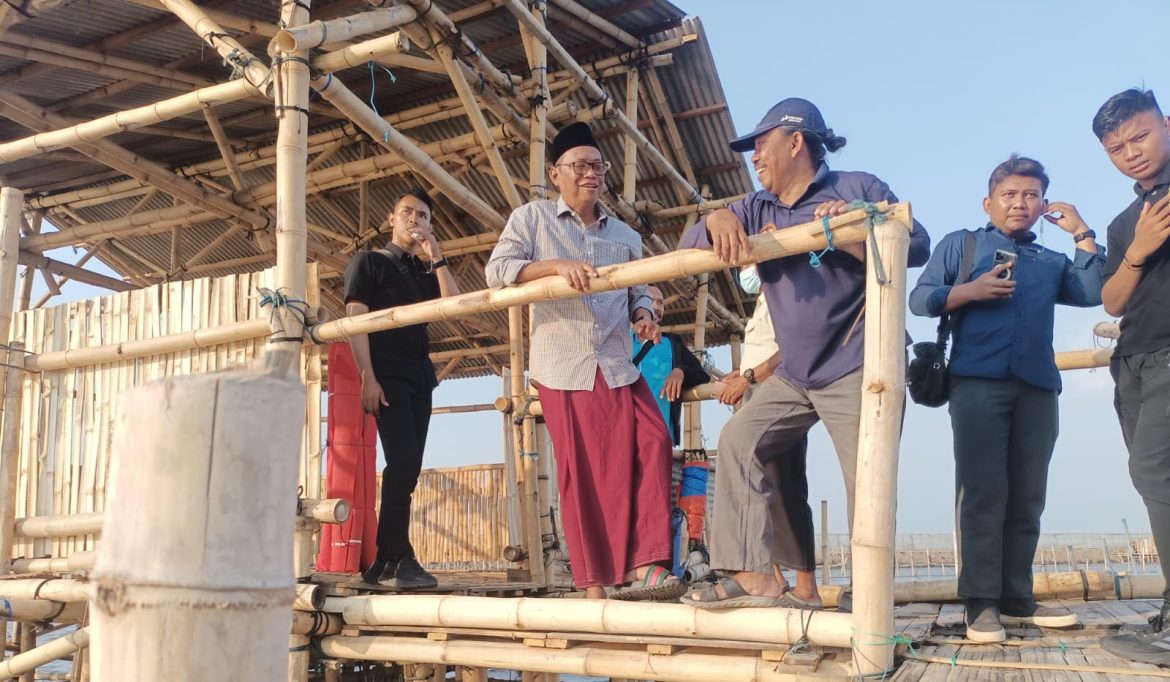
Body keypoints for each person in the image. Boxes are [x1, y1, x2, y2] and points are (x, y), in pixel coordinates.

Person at [678, 97, 931, 609]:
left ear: (795, 142)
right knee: (736, 441)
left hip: (861, 365)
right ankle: (757, 577)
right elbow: (689, 242)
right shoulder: (756, 206)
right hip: (796, 372)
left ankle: (870, 596)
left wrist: (857, 231)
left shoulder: (856, 186)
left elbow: (917, 245)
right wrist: (718, 218)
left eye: (761, 144)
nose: (754, 157)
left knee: (868, 478)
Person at [485, 122, 683, 601]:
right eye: (580, 166)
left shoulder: (625, 235)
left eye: (597, 166)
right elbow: (499, 270)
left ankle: (646, 564)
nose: (591, 173)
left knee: (654, 441)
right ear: (556, 174)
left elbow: (638, 289)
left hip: (617, 362)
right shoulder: (531, 219)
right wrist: (555, 266)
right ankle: (593, 582)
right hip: (563, 364)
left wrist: (642, 316)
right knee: (582, 472)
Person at [909, 155, 1101, 642]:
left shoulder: (1051, 261)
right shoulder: (962, 244)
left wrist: (1081, 234)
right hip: (976, 383)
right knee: (982, 493)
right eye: (1011, 194)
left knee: (1028, 495)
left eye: (1031, 195)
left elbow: (1092, 291)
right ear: (989, 201)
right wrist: (969, 290)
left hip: (1039, 387)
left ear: (1042, 205)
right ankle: (981, 601)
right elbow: (920, 297)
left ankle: (1017, 595)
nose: (1020, 203)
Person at [344, 188, 461, 588]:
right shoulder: (369, 262)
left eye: (424, 216)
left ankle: (385, 559)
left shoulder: (422, 273)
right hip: (387, 376)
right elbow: (354, 319)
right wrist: (367, 377)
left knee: (406, 470)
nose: (415, 220)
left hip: (420, 379)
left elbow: (454, 305)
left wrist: (437, 254)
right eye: (407, 212)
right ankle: (401, 557)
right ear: (391, 220)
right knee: (404, 463)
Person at [1089, 89, 1170, 665]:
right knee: (1152, 482)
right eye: (1116, 148)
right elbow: (1112, 299)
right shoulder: (1125, 222)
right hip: (1134, 361)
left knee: (1154, 469)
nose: (1131, 153)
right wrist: (1138, 250)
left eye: (1139, 136)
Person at [632, 284, 710, 446]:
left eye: (661, 303)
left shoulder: (672, 342)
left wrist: (680, 371)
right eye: (650, 301)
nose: (657, 306)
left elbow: (701, 375)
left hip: (659, 436)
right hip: (622, 431)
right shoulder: (619, 339)